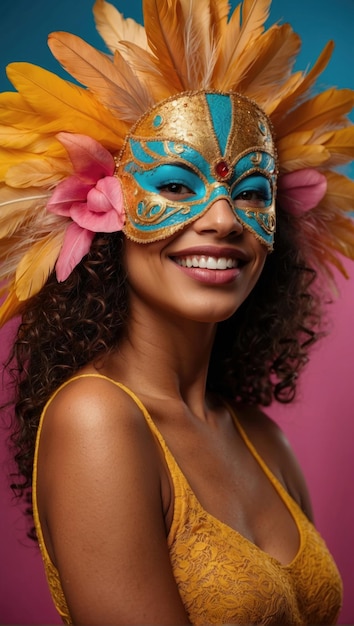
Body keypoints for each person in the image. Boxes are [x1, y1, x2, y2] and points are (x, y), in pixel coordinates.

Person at [0, 0, 353, 624]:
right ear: (104, 212)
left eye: (249, 193)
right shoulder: (97, 420)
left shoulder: (261, 439)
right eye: (174, 185)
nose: (222, 220)